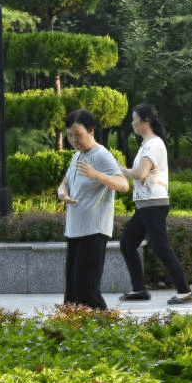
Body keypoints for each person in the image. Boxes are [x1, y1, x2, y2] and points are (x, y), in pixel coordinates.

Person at [117, 103, 192, 305]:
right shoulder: (146, 144)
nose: (132, 123)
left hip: (153, 204)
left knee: (161, 248)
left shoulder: (154, 144)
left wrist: (121, 170)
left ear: (145, 122)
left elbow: (141, 174)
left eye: (134, 119)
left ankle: (184, 291)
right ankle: (139, 290)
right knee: (127, 243)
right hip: (146, 205)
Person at [58, 109, 128, 309]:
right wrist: (62, 193)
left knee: (87, 289)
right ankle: (74, 332)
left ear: (91, 131)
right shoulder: (77, 156)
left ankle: (106, 327)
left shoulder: (101, 155)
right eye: (70, 135)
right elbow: (64, 183)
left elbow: (123, 184)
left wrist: (96, 174)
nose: (73, 140)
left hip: (94, 230)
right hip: (75, 230)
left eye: (78, 134)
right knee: (72, 292)